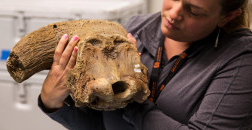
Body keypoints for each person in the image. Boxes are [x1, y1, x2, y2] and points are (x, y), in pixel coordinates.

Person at [38, 0, 252, 129]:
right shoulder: (134, 29)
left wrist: (129, 97)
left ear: (227, 17)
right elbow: (104, 126)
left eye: (194, 11)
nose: (174, 13)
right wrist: (52, 102)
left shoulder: (241, 59)